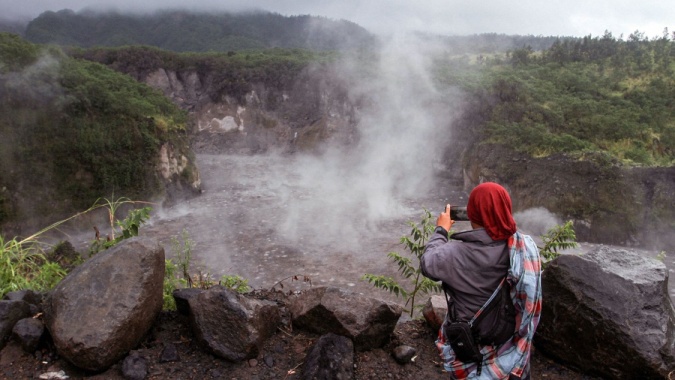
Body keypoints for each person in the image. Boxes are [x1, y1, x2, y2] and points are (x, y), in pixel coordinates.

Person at [421, 182, 542, 379]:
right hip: (512, 349)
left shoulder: (455, 253)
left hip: (471, 350)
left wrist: (441, 231)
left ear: (473, 214)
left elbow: (428, 264)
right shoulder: (524, 248)